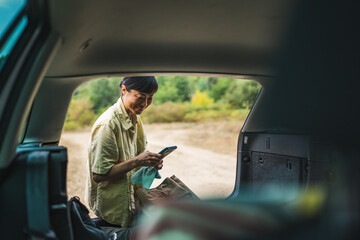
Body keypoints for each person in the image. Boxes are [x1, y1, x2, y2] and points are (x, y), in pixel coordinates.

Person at [85, 76, 163, 228]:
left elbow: (137, 159)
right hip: (112, 207)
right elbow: (99, 175)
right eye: (140, 97)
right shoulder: (108, 124)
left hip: (132, 202)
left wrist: (150, 163)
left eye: (150, 98)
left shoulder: (135, 117)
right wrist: (138, 160)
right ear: (123, 90)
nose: (145, 104)